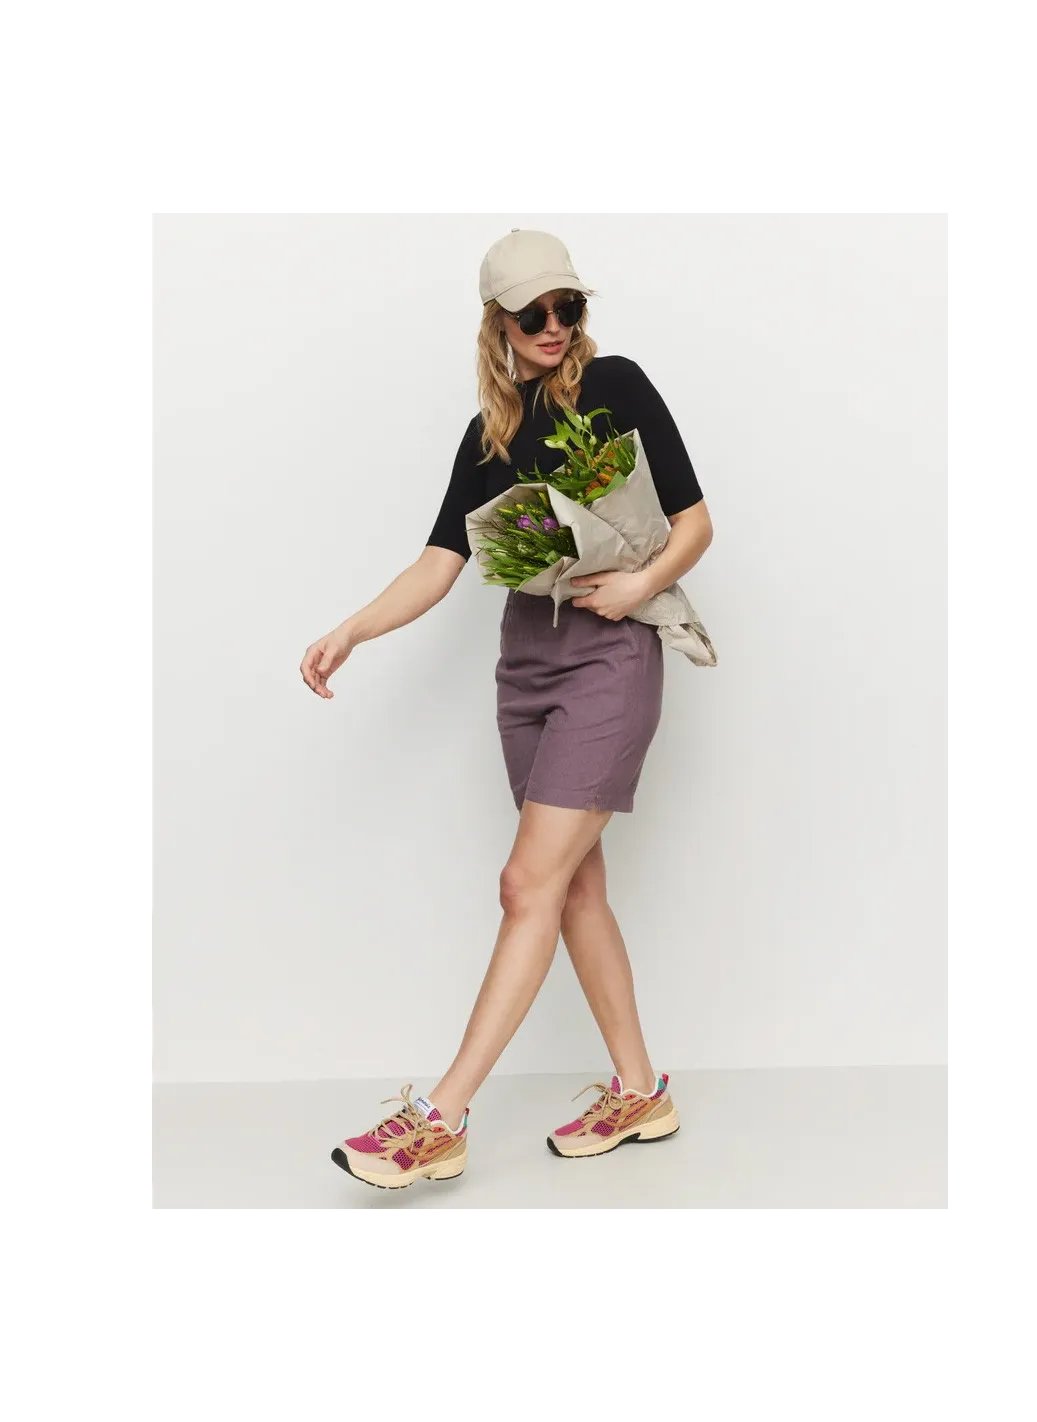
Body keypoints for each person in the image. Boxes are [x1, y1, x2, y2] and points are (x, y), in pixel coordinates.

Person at [299, 229, 714, 1190]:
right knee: (573, 889)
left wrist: (637, 584)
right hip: (526, 664)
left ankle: (440, 1119)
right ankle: (642, 1091)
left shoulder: (616, 387)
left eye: (569, 308)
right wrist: (353, 629)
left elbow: (694, 522)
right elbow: (440, 562)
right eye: (534, 314)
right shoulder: (487, 433)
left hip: (610, 654)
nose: (555, 327)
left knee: (526, 884)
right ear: (498, 322)